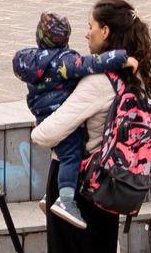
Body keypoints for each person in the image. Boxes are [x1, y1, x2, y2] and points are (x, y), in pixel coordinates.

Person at [30, 0, 151, 253]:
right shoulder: (131, 74)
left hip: (75, 186)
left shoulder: (97, 82)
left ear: (106, 30)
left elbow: (45, 135)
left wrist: (38, 124)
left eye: (91, 27)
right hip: (108, 185)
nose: (86, 35)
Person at [12, 12, 131, 232]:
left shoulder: (30, 59)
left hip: (41, 113)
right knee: (71, 154)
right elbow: (92, 63)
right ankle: (65, 199)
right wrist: (122, 57)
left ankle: (53, 193)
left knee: (63, 154)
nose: (87, 34)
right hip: (58, 116)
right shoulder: (64, 62)